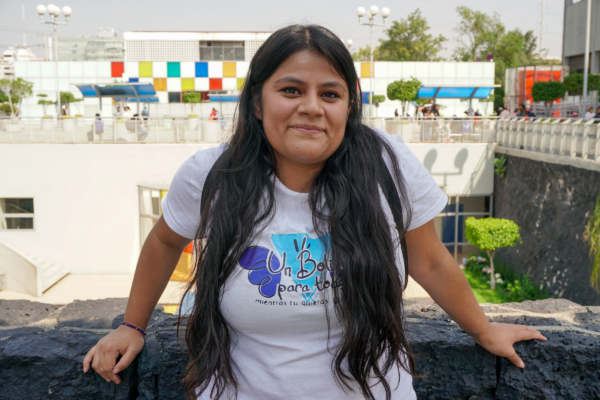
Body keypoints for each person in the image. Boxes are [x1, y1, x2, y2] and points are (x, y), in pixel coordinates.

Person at [83, 24, 546, 399]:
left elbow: (429, 259)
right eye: (290, 89)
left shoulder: (388, 163)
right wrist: (131, 325)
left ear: (348, 106)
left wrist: (484, 330)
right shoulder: (212, 174)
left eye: (330, 93)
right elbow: (166, 239)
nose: (311, 108)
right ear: (257, 103)